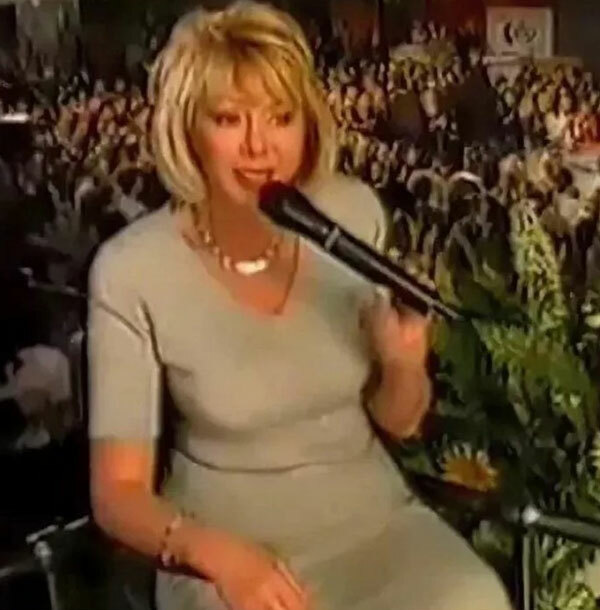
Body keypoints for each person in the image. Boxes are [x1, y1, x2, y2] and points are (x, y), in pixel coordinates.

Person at [88, 3, 514, 610]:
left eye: (281, 117)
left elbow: (399, 422)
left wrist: (403, 366)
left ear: (308, 124)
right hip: (224, 543)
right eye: (229, 119)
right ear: (187, 131)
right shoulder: (132, 269)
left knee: (473, 598)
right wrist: (219, 556)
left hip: (373, 520)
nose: (259, 145)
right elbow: (118, 495)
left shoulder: (352, 214)